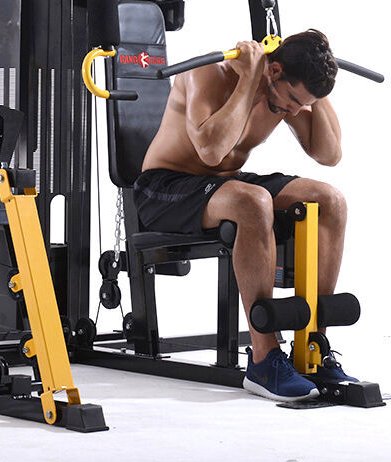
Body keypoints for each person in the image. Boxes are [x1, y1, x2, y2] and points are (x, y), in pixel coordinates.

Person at [134, 29, 354, 402]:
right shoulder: (208, 73)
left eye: (302, 104)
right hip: (165, 187)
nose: (295, 111)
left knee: (330, 201)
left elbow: (328, 154)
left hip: (224, 185)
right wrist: (250, 78)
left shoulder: (287, 93)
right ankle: (264, 360)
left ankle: (313, 348)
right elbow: (211, 152)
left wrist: (317, 86)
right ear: (274, 71)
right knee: (253, 202)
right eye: (293, 100)